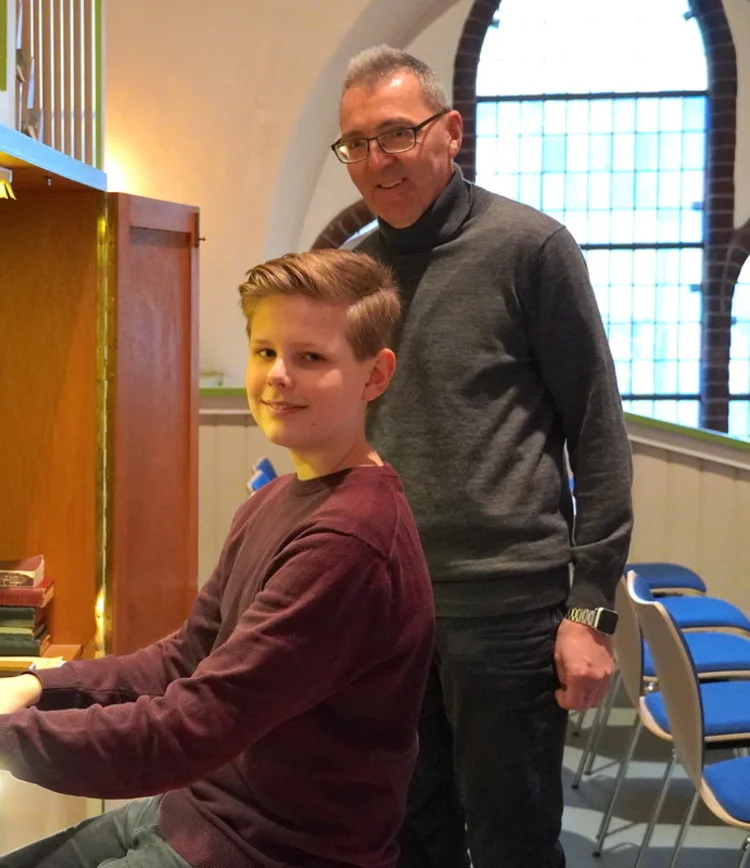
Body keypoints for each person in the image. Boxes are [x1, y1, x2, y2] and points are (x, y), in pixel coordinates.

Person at [0, 249, 435, 868]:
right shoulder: (279, 500)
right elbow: (184, 660)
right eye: (265, 351)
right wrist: (35, 686)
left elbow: (189, 729)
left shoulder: (349, 545)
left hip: (271, 852)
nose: (278, 375)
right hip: (195, 815)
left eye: (310, 357)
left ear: (376, 374)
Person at [330, 46, 634, 868]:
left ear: (450, 131)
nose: (374, 161)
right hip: (387, 606)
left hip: (509, 608)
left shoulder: (531, 249)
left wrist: (590, 613)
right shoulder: (353, 274)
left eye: (395, 134)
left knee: (513, 842)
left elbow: (598, 436)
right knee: (404, 832)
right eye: (354, 143)